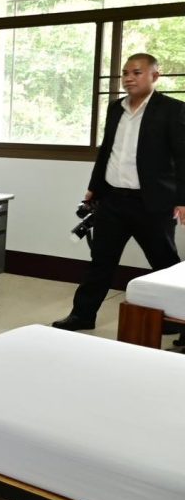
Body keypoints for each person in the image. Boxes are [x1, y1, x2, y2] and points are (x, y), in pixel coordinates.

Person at [53, 53, 185, 332]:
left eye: (137, 73)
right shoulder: (116, 108)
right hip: (112, 200)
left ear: (155, 76)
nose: (128, 78)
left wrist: (183, 200)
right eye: (125, 73)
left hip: (152, 203)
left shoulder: (173, 110)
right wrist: (94, 187)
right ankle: (82, 315)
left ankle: (178, 322)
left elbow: (183, 157)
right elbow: (107, 151)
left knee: (165, 263)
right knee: (100, 262)